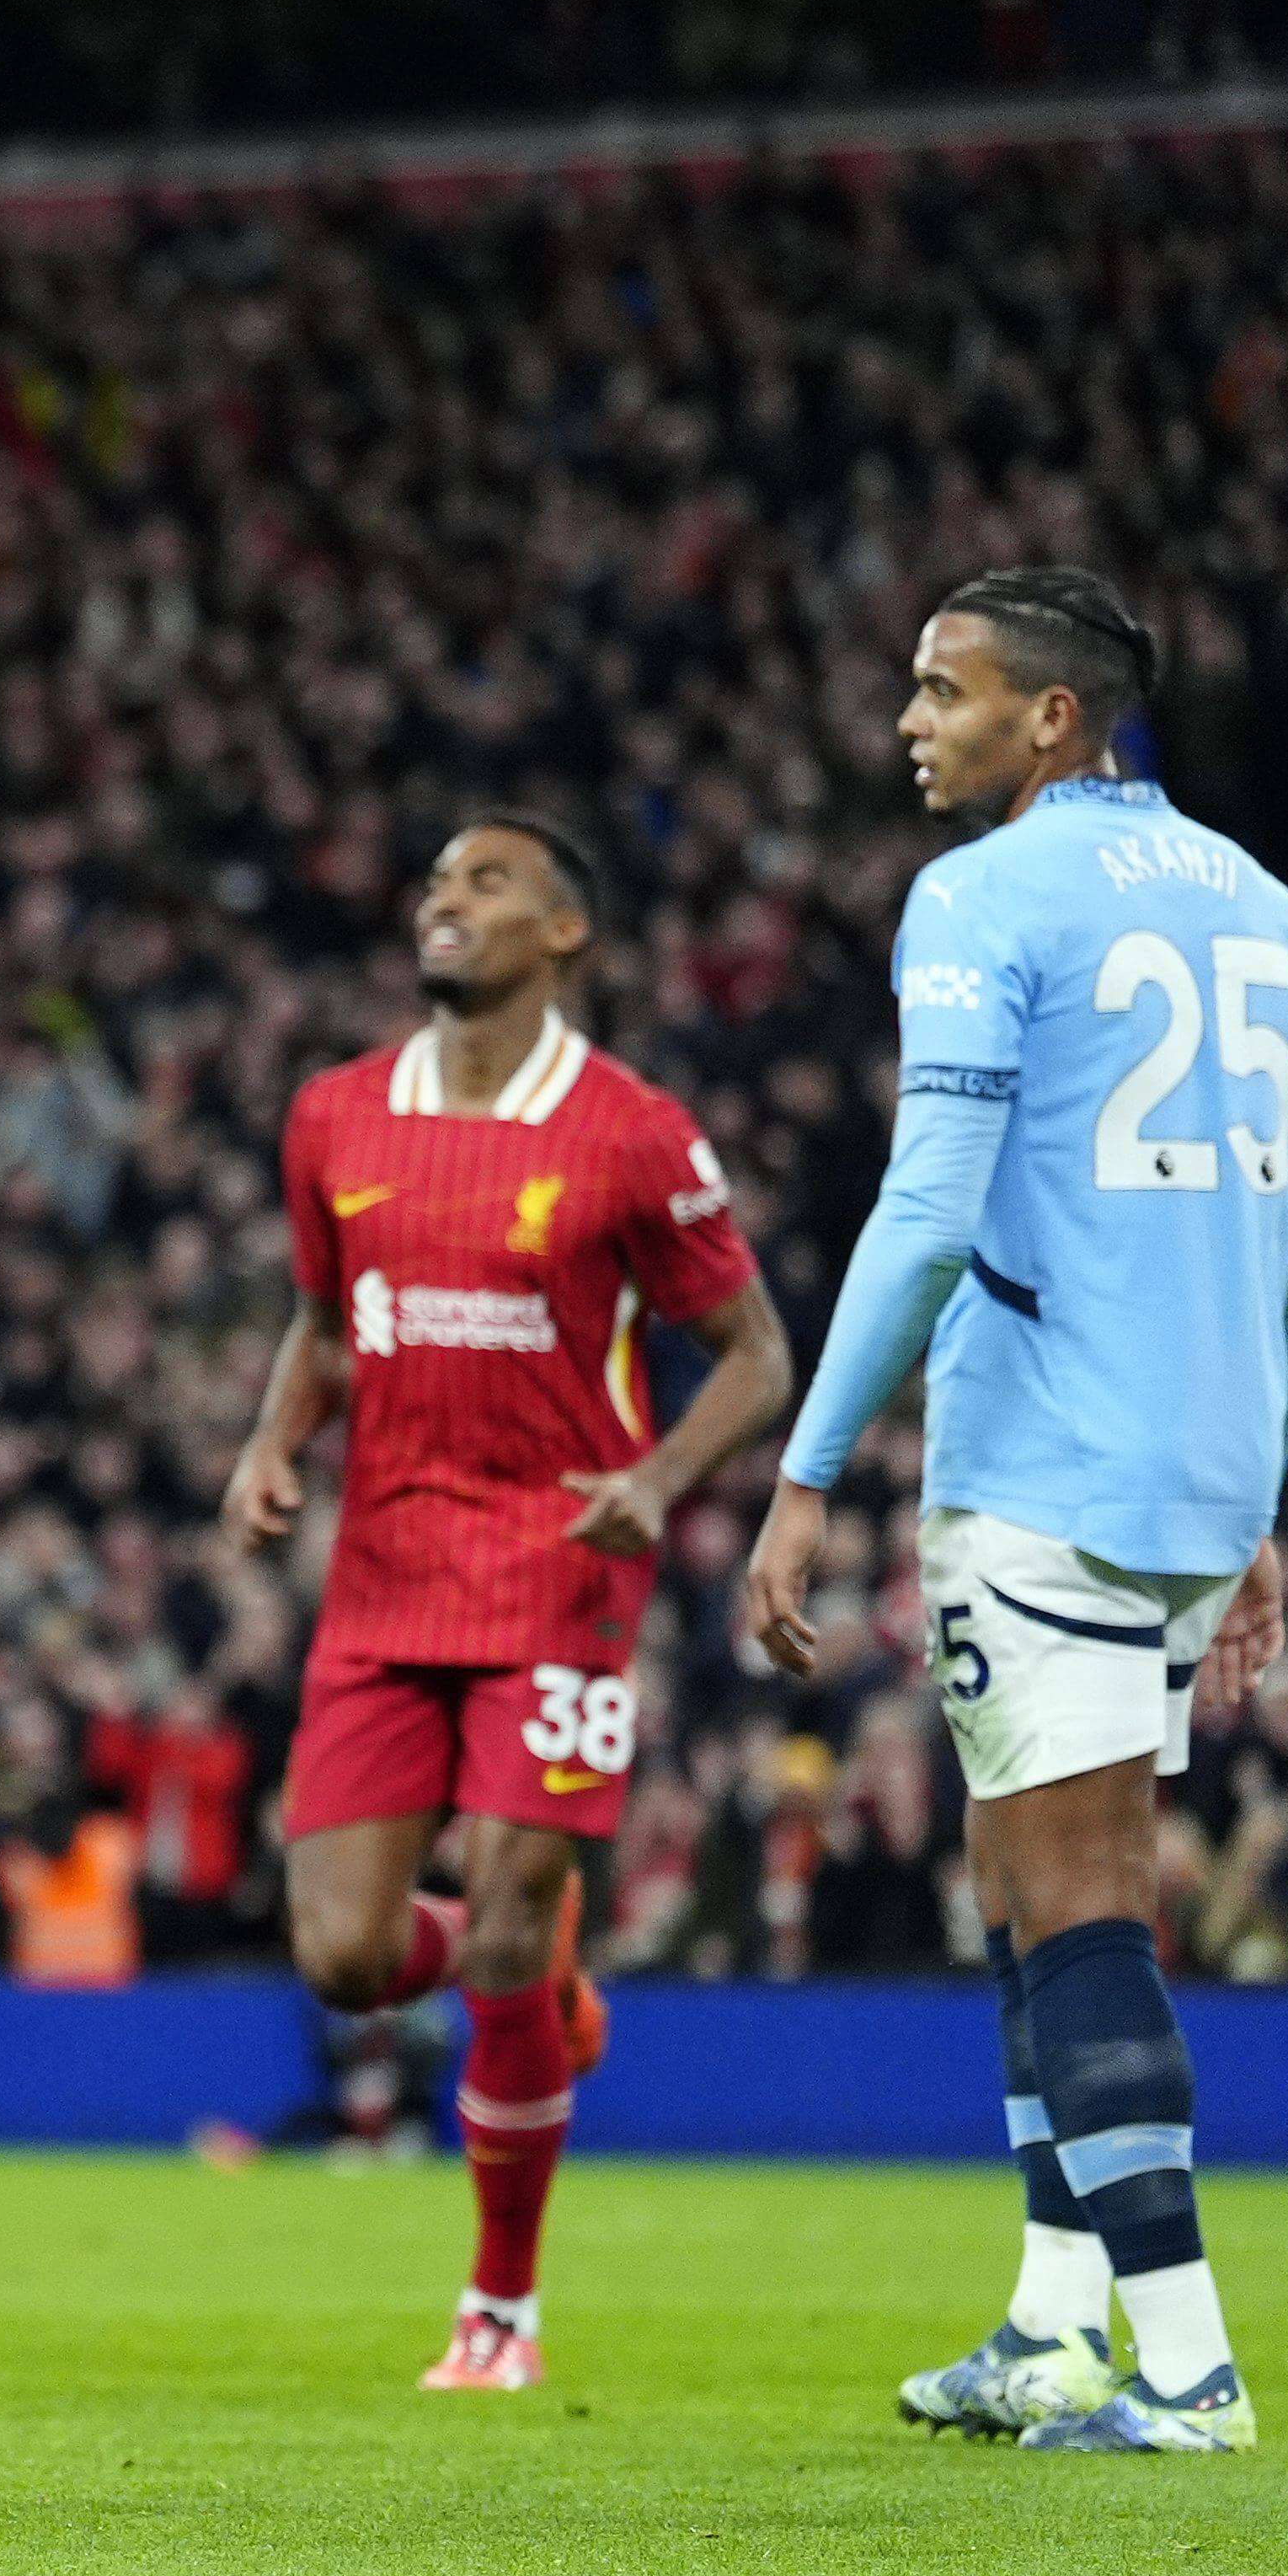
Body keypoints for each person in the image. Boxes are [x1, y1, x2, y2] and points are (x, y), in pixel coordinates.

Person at [746, 567, 1288, 2456]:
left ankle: (1190, 2363)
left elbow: (928, 1208)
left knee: (1080, 1905)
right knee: (1023, 1878)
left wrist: (810, 1464)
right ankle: (1057, 2324)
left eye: (947, 688)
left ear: (1052, 719)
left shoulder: (982, 897)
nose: (914, 720)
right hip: (1197, 1460)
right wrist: (1259, 1497)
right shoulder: (1268, 905)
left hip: (1046, 1463)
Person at [222, 817, 790, 2391]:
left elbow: (756, 1356)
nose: (442, 899)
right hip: (381, 1573)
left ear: (562, 933)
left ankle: (500, 2308)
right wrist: (274, 1445)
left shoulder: (630, 1131)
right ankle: (535, 1972)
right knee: (339, 1953)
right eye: (432, 881)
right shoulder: (332, 1115)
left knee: (505, 1920)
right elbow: (328, 1324)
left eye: (484, 882)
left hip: (559, 1571)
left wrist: (662, 1483)